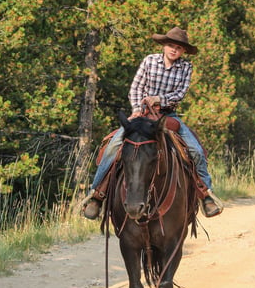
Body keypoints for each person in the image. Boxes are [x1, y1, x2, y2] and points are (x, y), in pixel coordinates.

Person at [82, 26, 223, 220]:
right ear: (164, 46)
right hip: (141, 114)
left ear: (183, 51)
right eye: (171, 45)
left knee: (196, 151)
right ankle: (97, 195)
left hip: (168, 116)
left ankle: (205, 195)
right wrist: (136, 110)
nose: (174, 50)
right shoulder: (149, 61)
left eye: (179, 48)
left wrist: (159, 100)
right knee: (113, 147)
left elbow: (180, 93)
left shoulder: (186, 67)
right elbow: (135, 87)